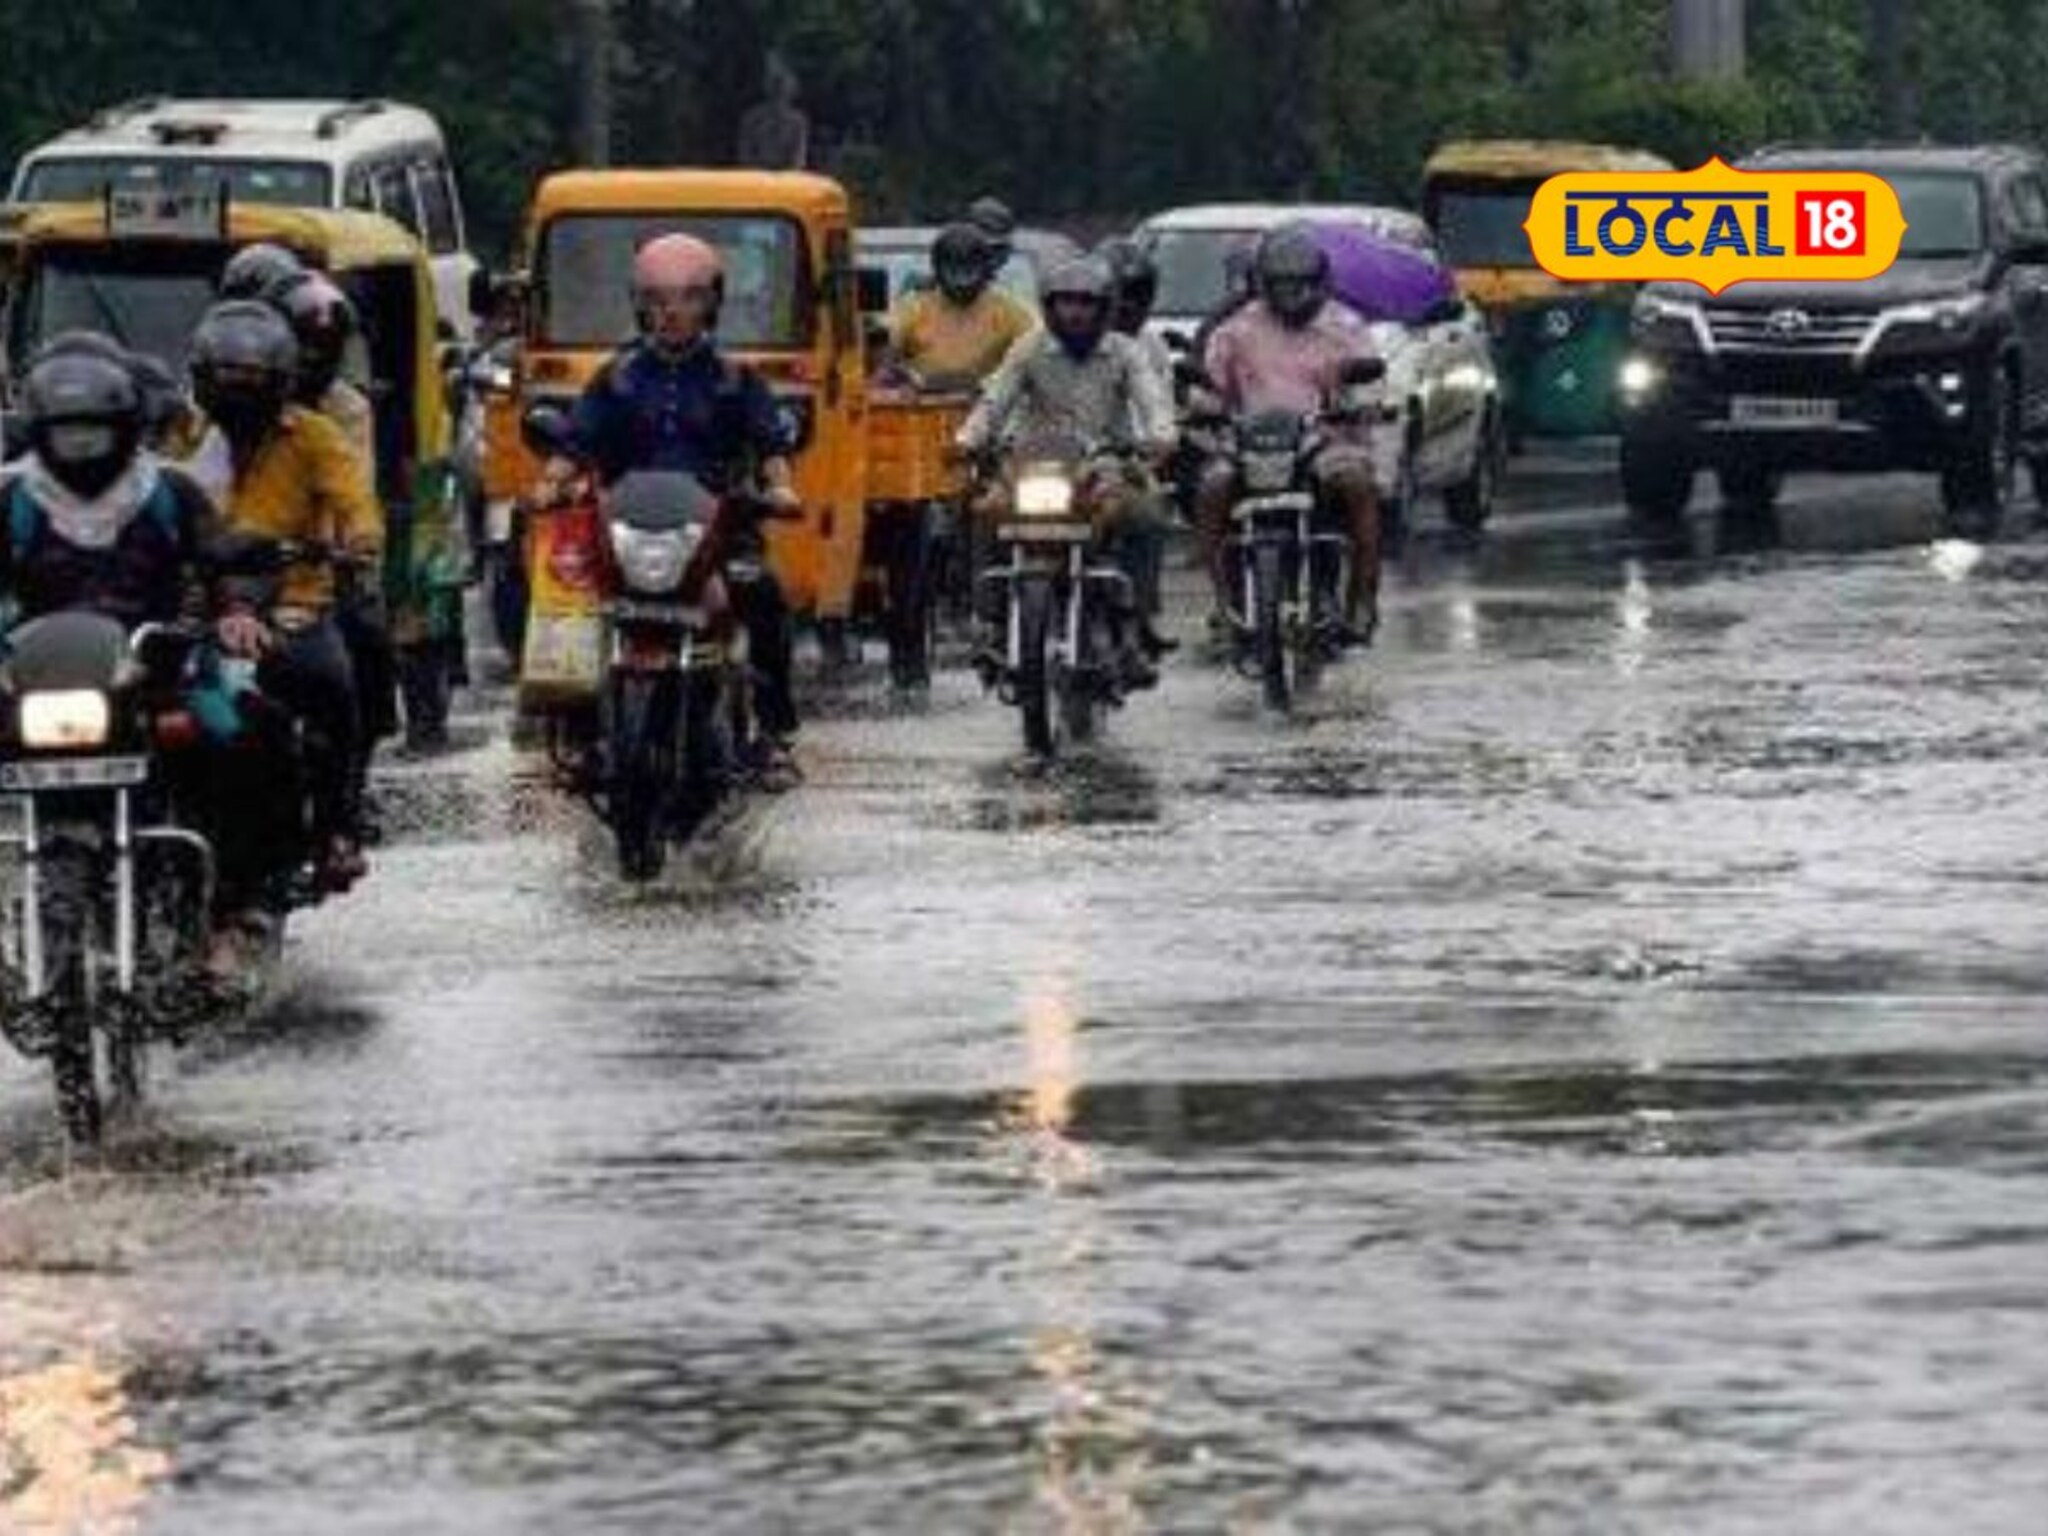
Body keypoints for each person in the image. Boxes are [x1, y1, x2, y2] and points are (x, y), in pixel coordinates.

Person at [551, 232, 804, 774]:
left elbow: (771, 446)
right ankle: (578, 731)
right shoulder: (615, 378)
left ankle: (774, 729)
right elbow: (576, 443)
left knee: (763, 595)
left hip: (718, 532)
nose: (672, 314)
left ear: (711, 304)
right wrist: (548, 484)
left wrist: (780, 489)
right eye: (659, 301)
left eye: (688, 299)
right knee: (564, 598)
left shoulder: (737, 380)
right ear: (640, 305)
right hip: (625, 535)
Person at [186, 300, 384, 892]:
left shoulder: (315, 434)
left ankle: (335, 826)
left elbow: (355, 500)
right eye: (227, 378)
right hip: (196, 608)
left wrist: (360, 540)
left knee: (332, 681)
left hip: (293, 602)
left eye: (254, 380)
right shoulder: (183, 435)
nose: (239, 394)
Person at [956, 256, 1178, 683]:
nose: (1074, 311)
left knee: (1147, 514)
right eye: (1064, 302)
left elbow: (1153, 402)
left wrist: (1160, 436)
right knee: (986, 509)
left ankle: (1136, 623)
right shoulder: (1029, 348)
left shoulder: (1125, 352)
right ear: (1048, 306)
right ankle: (991, 620)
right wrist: (969, 440)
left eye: (1085, 303)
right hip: (1035, 467)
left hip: (1106, 467)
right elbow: (994, 400)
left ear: (1104, 308)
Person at [1195, 224, 1385, 642]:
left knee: (1358, 486)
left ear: (1319, 283)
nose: (1290, 294)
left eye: (1299, 284)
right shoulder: (1237, 330)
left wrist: (1360, 403)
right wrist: (1203, 407)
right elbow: (1211, 386)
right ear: (1263, 283)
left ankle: (1361, 600)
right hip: (1251, 444)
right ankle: (1223, 603)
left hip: (1326, 442)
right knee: (1212, 486)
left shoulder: (1346, 326)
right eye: (1280, 285)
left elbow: (1372, 380)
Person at [885, 223, 1036, 388]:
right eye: (953, 270)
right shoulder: (913, 308)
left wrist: (998, 381)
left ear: (986, 270)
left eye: (970, 270)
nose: (962, 285)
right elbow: (882, 354)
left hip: (991, 405)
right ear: (937, 269)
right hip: (919, 407)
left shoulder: (1009, 311)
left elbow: (1035, 354)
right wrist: (901, 373)